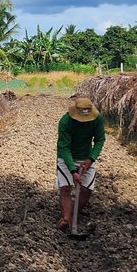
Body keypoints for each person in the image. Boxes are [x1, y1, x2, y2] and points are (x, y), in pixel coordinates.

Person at [56, 96, 106, 230]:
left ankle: (73, 214)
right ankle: (66, 218)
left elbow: (100, 140)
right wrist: (72, 171)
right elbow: (64, 147)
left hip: (86, 157)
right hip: (67, 157)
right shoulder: (65, 122)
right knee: (65, 188)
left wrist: (91, 159)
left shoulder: (97, 119)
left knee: (86, 190)